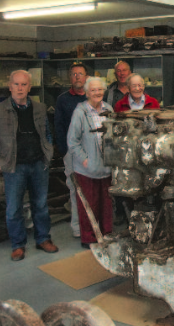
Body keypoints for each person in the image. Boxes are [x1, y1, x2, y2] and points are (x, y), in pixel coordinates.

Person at [0, 70, 57, 261]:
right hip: (14, 167)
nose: (20, 88)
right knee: (14, 208)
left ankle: (43, 239)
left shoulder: (40, 108)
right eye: (16, 84)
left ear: (30, 87)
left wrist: (47, 153)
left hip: (38, 164)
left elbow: (47, 133)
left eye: (24, 84)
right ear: (10, 87)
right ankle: (18, 245)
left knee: (40, 205)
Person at [67, 77, 114, 248]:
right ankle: (89, 238)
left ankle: (107, 233)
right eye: (93, 90)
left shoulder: (108, 109)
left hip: (106, 166)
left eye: (100, 89)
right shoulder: (80, 112)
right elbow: (72, 141)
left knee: (107, 203)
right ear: (87, 93)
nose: (97, 93)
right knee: (89, 203)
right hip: (87, 169)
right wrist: (85, 160)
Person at [54, 63, 88, 238]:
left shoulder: (93, 97)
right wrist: (64, 150)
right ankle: (77, 227)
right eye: (74, 74)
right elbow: (58, 126)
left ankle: (93, 226)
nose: (77, 77)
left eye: (80, 74)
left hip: (92, 154)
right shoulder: (63, 99)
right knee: (75, 190)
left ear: (86, 77)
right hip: (72, 154)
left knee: (93, 190)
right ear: (70, 77)